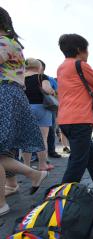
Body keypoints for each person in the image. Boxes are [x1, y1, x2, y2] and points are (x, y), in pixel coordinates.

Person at [0, 7, 49, 216]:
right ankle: (12, 184)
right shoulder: (13, 43)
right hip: (14, 95)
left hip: (5, 94)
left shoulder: (3, 43)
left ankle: (2, 203)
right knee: (6, 149)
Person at [56, 33, 93, 190]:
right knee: (77, 164)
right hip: (80, 119)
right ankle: (59, 202)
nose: (88, 53)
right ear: (80, 49)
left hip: (65, 120)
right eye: (87, 49)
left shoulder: (61, 67)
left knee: (91, 157)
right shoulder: (80, 65)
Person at [22, 58, 56, 171]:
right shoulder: (42, 77)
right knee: (42, 138)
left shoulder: (20, 77)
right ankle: (43, 165)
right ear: (39, 67)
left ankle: (26, 166)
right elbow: (47, 89)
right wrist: (52, 91)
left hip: (25, 108)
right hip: (42, 108)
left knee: (26, 139)